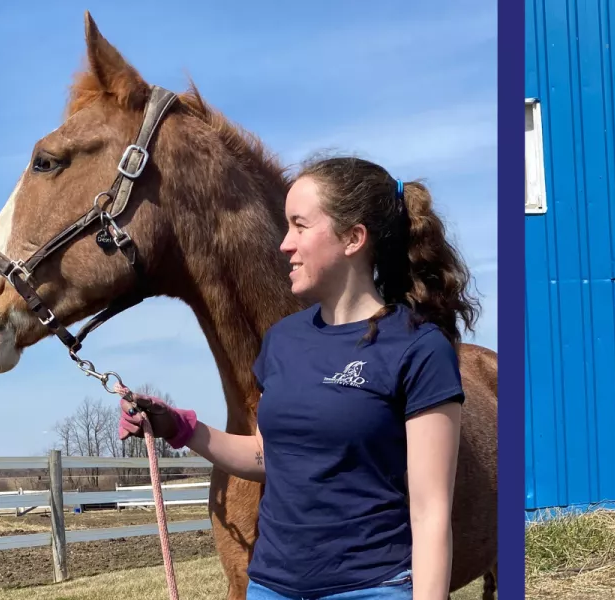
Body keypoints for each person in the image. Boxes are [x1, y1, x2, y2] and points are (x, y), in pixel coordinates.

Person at [118, 156, 478, 599]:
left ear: (353, 238)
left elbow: (430, 513)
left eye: (299, 226)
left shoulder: (419, 349)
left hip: (371, 588)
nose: (284, 244)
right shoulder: (282, 341)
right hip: (271, 587)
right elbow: (268, 457)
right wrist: (178, 427)